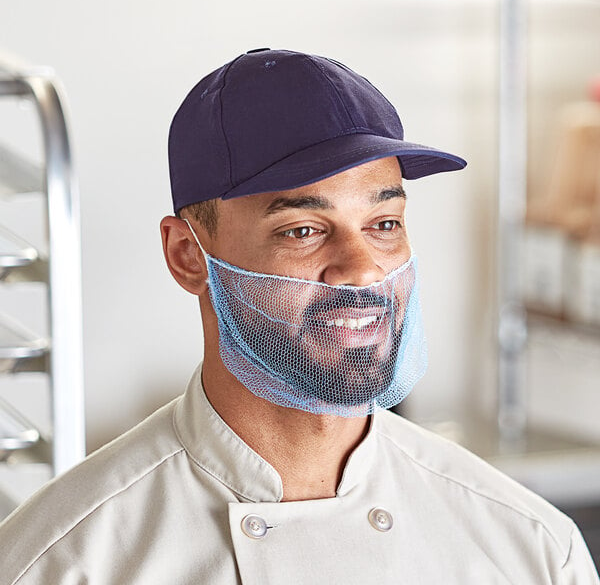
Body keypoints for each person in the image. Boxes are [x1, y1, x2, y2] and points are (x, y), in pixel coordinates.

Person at [0, 48, 598, 584]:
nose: (363, 269)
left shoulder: (532, 549)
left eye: (383, 224)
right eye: (304, 230)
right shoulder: (62, 560)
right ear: (188, 256)